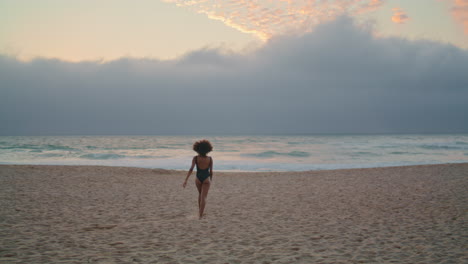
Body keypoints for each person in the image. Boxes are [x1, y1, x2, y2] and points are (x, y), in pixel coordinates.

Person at [183, 139, 213, 219]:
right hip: (206, 178)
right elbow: (211, 171)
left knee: (200, 194)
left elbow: (191, 169)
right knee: (204, 197)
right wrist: (211, 179)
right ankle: (200, 215)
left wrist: (186, 180)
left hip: (198, 179)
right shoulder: (210, 159)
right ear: (207, 149)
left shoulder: (195, 158)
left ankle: (200, 212)